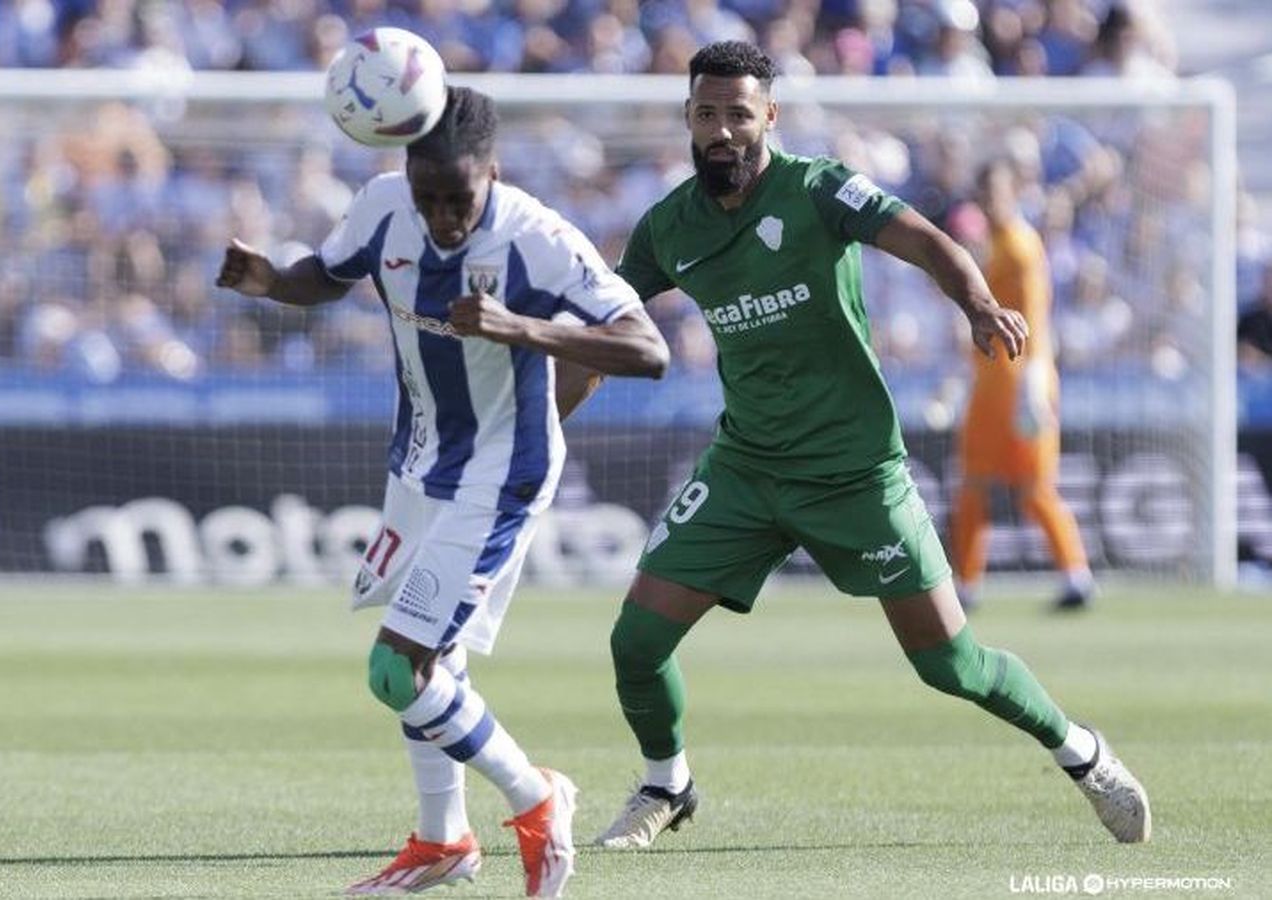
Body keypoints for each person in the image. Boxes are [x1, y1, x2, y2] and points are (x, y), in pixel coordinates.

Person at [592, 41, 1150, 851]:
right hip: (746, 468)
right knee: (635, 642)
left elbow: (924, 239)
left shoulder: (818, 189)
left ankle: (1082, 752)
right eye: (707, 114)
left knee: (949, 666)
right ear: (688, 117)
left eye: (738, 114)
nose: (722, 131)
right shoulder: (666, 228)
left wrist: (977, 302)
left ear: (769, 117)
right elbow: (605, 318)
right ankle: (665, 785)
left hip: (856, 472)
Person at [216, 86, 670, 897]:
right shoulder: (386, 206)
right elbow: (329, 272)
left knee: (399, 669)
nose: (442, 218)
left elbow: (647, 348)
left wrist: (518, 327)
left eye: (458, 199)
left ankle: (536, 798)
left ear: (492, 173)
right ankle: (442, 840)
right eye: (427, 198)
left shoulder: (535, 237)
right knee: (435, 659)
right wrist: (273, 281)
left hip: (503, 472)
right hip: (418, 463)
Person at [949, 161, 1096, 612]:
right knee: (973, 482)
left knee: (1034, 487)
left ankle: (1076, 575)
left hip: (1020, 382)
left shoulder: (1020, 246)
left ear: (1013, 192)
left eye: (997, 192)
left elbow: (1034, 322)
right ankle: (967, 583)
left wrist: (1033, 385)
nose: (991, 201)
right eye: (985, 193)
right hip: (991, 382)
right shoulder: (992, 244)